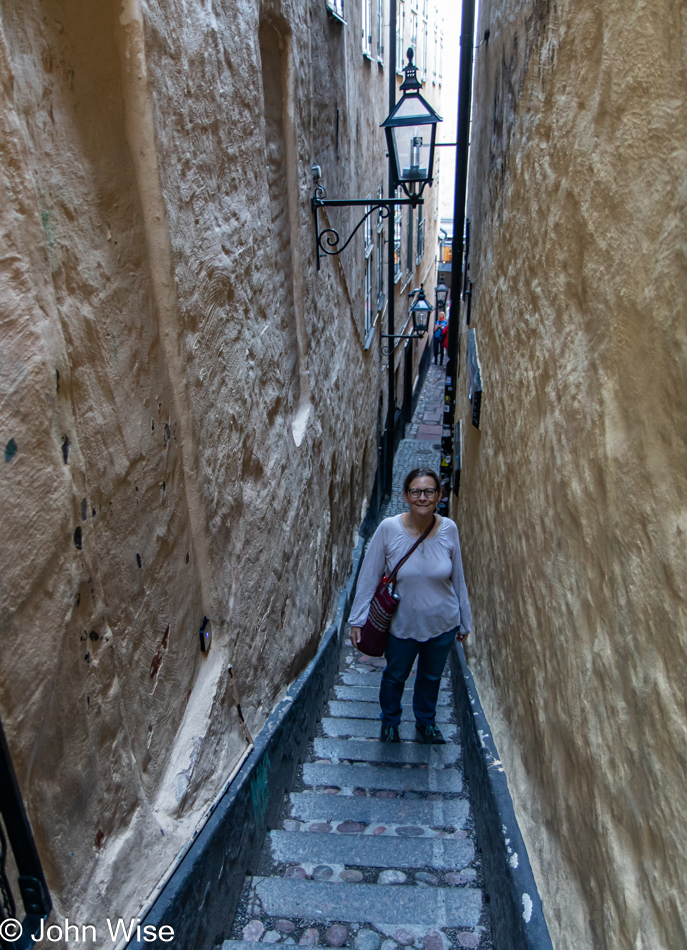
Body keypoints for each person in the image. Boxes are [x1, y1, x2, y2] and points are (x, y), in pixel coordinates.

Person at [348, 468, 472, 744]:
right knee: (394, 676)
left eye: (429, 491)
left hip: (442, 624)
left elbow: (459, 578)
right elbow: (369, 576)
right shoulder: (389, 529)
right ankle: (390, 721)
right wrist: (357, 620)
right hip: (401, 626)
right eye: (416, 491)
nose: (422, 497)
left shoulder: (449, 529)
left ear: (439, 496)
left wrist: (465, 621)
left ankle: (426, 722)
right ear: (405, 495)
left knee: (431, 677)